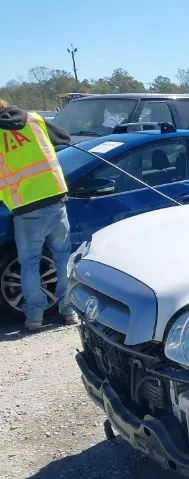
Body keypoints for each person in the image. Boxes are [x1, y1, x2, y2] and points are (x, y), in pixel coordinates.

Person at [0, 97, 77, 331]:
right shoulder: (34, 119)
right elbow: (64, 138)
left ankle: (35, 318)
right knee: (63, 258)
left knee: (29, 264)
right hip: (55, 201)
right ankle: (68, 310)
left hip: (25, 208)